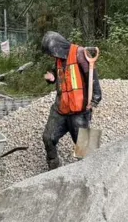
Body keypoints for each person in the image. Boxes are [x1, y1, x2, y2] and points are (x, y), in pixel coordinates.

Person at [40, 31, 101, 170]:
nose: (51, 56)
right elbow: (58, 76)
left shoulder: (80, 54)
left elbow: (93, 77)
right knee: (48, 137)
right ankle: (53, 168)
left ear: (57, 48)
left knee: (86, 148)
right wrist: (52, 78)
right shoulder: (59, 59)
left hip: (80, 109)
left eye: (51, 52)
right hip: (61, 108)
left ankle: (91, 171)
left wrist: (95, 98)